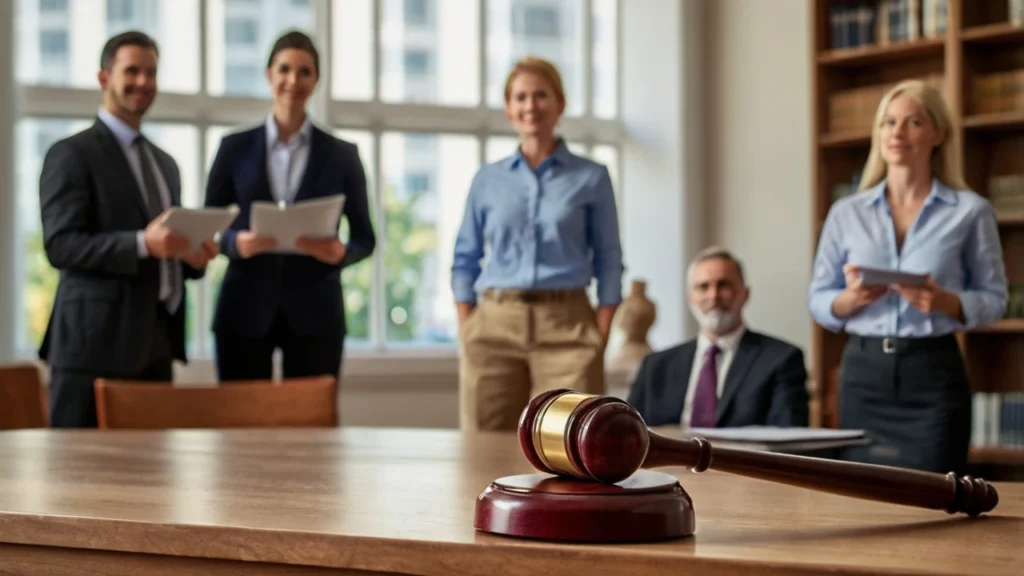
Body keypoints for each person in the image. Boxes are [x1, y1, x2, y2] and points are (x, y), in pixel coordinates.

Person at [808, 79, 1008, 474]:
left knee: (935, 497)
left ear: (938, 133)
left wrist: (949, 303)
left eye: (913, 122)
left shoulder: (970, 212)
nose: (897, 133)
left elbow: (996, 299)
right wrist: (848, 301)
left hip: (933, 375)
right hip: (862, 374)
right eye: (888, 122)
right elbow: (818, 299)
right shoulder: (846, 212)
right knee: (861, 496)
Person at [38, 31, 218, 428]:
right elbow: (61, 245)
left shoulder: (165, 163)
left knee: (152, 481)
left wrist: (192, 257)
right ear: (104, 78)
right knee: (79, 480)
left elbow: (163, 250)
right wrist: (142, 243)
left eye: (151, 73)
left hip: (156, 346)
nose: (143, 82)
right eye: (132, 71)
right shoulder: (71, 154)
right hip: (92, 351)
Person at [452, 56, 624, 431]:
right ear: (509, 110)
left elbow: (609, 257)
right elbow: (465, 256)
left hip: (569, 324)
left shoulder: (592, 177)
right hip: (495, 323)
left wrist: (602, 329)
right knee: (484, 445)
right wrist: (467, 323)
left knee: (574, 445)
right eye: (521, 97)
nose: (531, 105)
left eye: (541, 95)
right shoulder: (487, 180)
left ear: (560, 104)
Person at [204, 30, 375, 382]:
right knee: (241, 425)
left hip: (317, 313)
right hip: (244, 309)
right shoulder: (233, 147)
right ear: (269, 75)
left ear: (316, 81)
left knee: (312, 428)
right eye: (284, 69)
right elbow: (210, 226)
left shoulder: (343, 155)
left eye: (304, 71)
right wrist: (236, 243)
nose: (293, 80)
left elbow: (365, 238)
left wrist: (339, 252)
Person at [627, 247, 809, 428]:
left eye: (724, 285)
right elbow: (628, 434)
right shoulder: (655, 367)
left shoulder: (782, 360)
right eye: (703, 287)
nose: (713, 295)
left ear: (745, 294)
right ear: (690, 298)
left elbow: (788, 442)